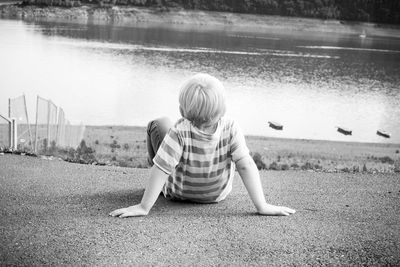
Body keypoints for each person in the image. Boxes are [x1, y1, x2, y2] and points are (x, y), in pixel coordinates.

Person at [109, 73, 295, 218]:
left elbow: (162, 169)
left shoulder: (179, 131)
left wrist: (144, 207)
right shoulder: (231, 127)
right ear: (223, 108)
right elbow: (245, 165)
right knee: (235, 156)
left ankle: (157, 159)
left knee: (159, 124)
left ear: (182, 110)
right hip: (216, 196)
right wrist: (262, 206)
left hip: (178, 193)